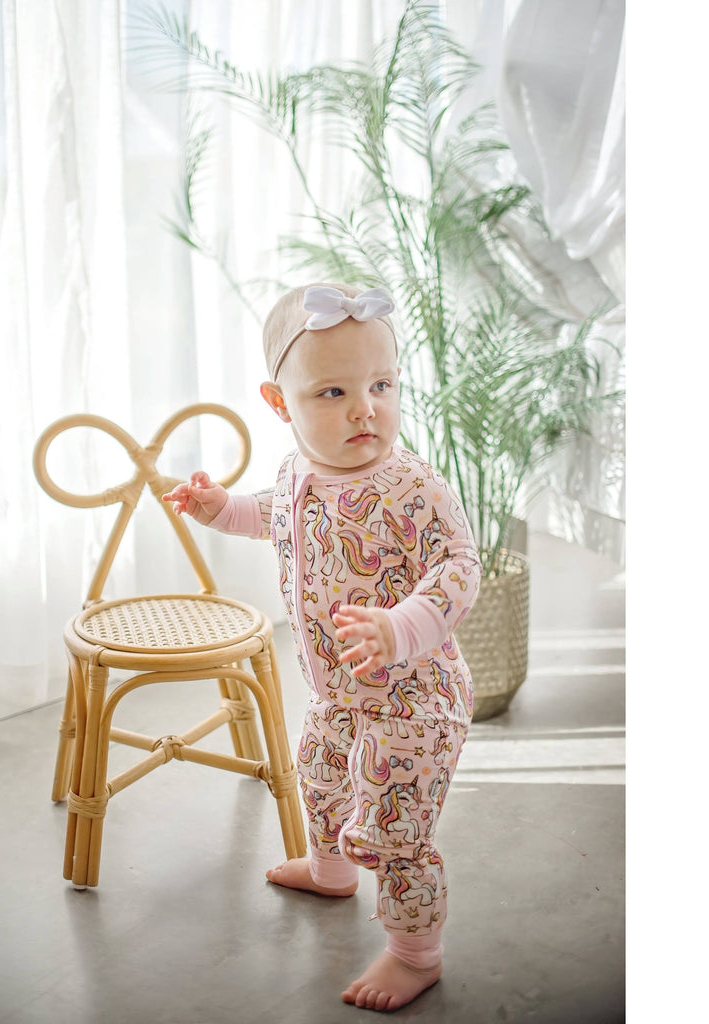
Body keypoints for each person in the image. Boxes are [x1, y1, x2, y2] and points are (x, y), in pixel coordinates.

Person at [163, 283, 482, 1012]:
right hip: (338, 693)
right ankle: (330, 869)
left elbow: (460, 568)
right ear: (280, 403)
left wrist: (400, 626)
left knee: (395, 829)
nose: (364, 408)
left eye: (381, 385)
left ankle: (414, 953)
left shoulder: (412, 487)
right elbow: (274, 518)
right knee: (322, 777)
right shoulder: (298, 473)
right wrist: (221, 509)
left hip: (412, 703)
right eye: (333, 391)